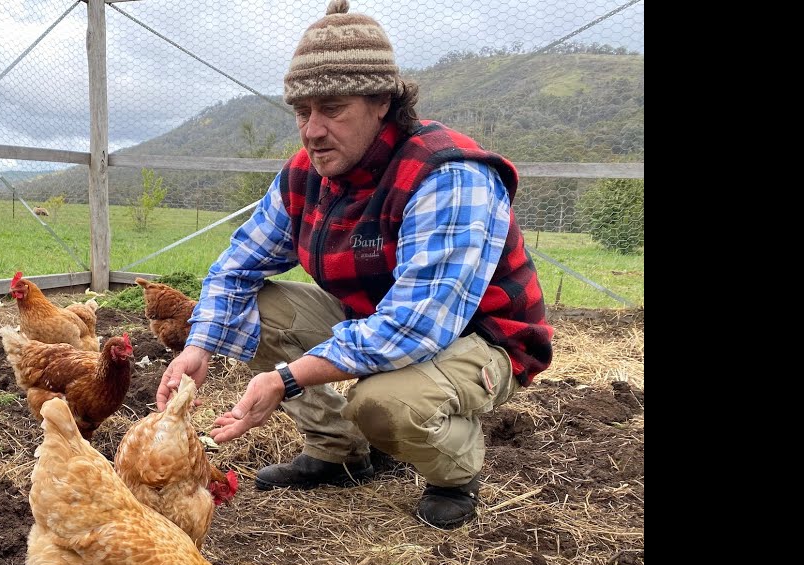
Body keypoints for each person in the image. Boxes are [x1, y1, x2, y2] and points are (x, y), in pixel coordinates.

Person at [155, 0, 553, 530]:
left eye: (333, 109)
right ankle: (341, 453)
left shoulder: (447, 174)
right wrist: (199, 347)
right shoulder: (308, 173)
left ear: (382, 102)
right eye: (302, 112)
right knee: (249, 309)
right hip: (378, 320)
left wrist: (284, 379)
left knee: (386, 401)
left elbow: (415, 325)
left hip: (477, 335)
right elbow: (234, 269)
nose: (312, 131)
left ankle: (455, 472)